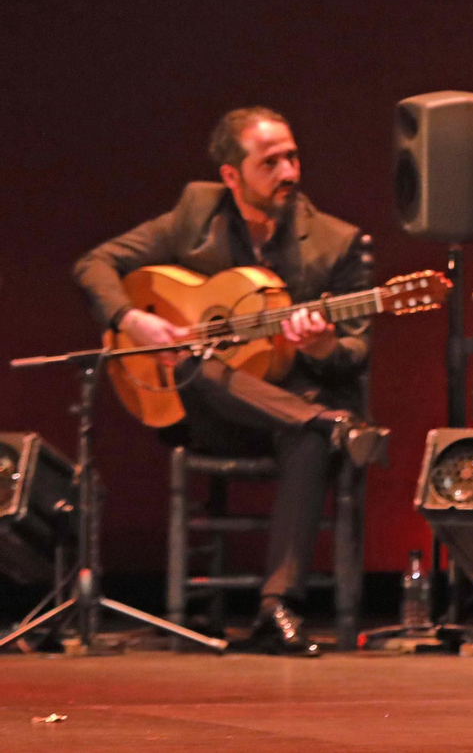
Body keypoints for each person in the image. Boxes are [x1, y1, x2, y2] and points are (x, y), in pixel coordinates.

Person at [73, 107, 387, 656]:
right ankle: (331, 426)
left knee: (310, 434)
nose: (290, 171)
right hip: (213, 414)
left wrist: (320, 345)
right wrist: (133, 319)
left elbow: (356, 353)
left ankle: (276, 609)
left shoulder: (335, 242)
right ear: (231, 176)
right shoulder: (194, 216)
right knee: (189, 360)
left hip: (289, 408)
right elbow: (94, 264)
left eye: (292, 156)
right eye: (271, 162)